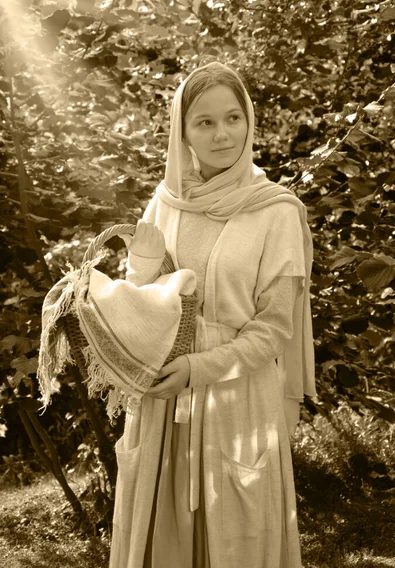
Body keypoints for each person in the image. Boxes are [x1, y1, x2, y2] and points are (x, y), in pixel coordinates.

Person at [109, 61, 316, 568]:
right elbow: (145, 301)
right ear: (182, 133)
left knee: (235, 537)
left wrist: (198, 368)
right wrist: (140, 265)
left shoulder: (276, 211)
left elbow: (273, 329)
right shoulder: (164, 204)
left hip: (237, 394)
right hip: (165, 398)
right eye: (204, 122)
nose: (222, 134)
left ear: (249, 122)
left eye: (233, 118)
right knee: (162, 530)